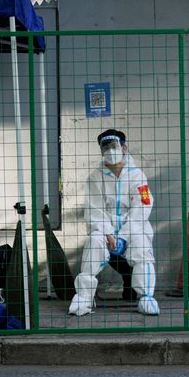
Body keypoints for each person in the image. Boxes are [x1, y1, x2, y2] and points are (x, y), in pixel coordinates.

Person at [68, 129, 160, 316]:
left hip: (133, 227)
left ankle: (146, 298)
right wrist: (107, 232)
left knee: (142, 248)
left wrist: (124, 236)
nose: (110, 151)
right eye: (106, 147)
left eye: (114, 146)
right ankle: (83, 299)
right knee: (93, 246)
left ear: (124, 148)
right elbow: (94, 209)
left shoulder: (137, 176)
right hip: (105, 228)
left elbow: (142, 206)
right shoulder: (95, 177)